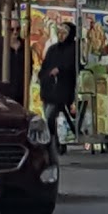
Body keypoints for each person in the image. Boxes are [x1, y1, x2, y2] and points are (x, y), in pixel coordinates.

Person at [39, 20, 78, 154]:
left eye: (64, 32)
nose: (61, 35)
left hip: (63, 90)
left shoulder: (74, 49)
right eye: (59, 32)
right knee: (51, 118)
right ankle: (57, 142)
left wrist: (60, 70)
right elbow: (44, 67)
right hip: (48, 89)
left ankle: (55, 142)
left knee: (52, 116)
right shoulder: (52, 49)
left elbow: (72, 67)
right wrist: (43, 77)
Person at [0, 21, 26, 104]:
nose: (15, 32)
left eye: (18, 29)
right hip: (3, 91)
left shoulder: (24, 46)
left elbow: (29, 65)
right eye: (12, 29)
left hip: (21, 91)